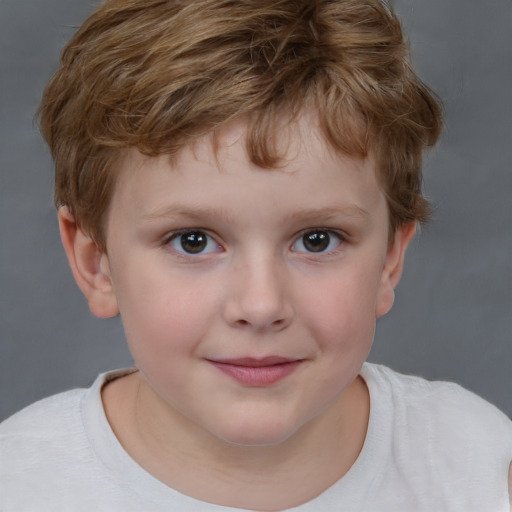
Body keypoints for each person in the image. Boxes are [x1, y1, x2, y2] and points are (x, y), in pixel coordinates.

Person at [1, 0, 510, 510]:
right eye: (193, 241)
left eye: (317, 240)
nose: (262, 305)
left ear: (389, 260)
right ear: (97, 263)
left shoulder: (478, 467)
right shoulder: (20, 484)